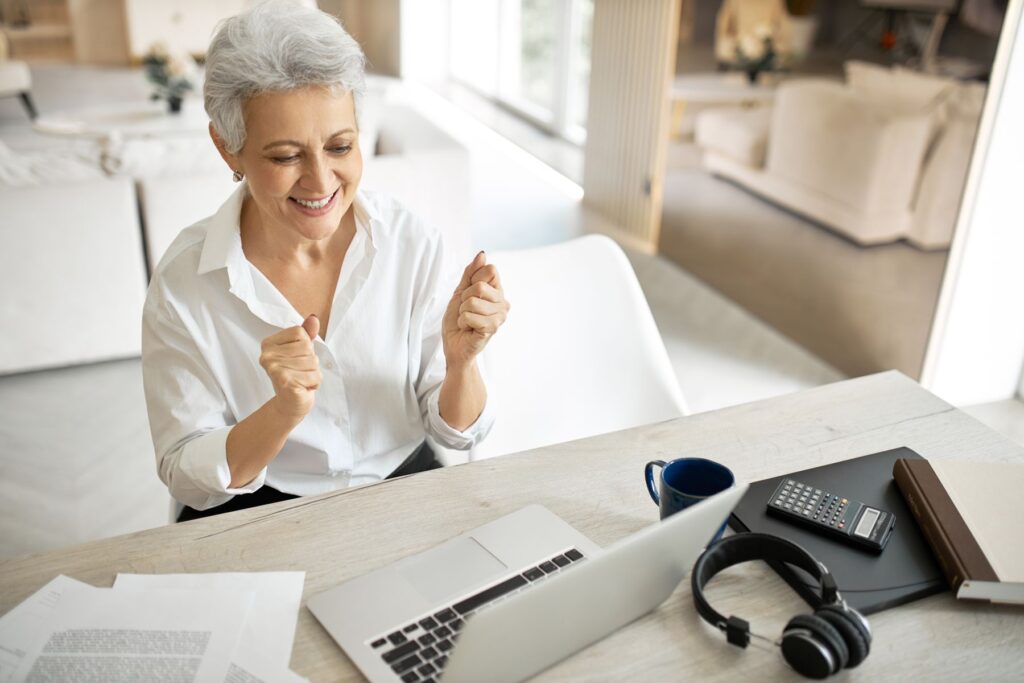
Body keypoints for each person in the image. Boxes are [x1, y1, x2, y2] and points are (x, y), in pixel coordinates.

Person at [141, 1, 508, 522]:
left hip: (404, 486)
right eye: (285, 156)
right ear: (228, 149)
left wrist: (460, 363)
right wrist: (282, 412)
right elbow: (184, 470)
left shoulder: (410, 242)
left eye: (340, 145)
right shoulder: (185, 284)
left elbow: (458, 430)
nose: (320, 181)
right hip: (254, 512)